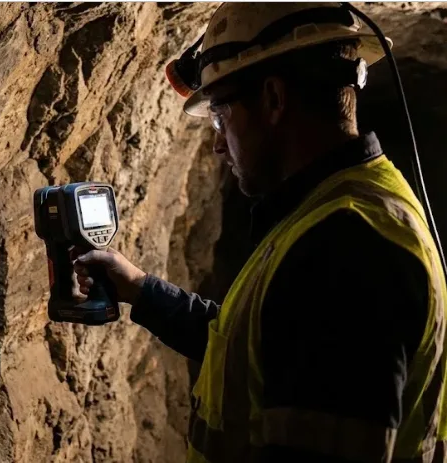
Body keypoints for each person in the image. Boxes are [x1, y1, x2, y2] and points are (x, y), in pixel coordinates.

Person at [74, 3, 447, 463]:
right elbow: (258, 346)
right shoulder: (346, 208)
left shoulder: (346, 250)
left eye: (221, 116)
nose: (216, 143)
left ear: (273, 98)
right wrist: (141, 289)